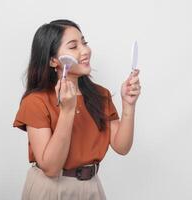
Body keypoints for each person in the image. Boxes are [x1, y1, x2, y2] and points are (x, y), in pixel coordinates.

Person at [12, 19, 141, 200]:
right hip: (50, 189)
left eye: (84, 42)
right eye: (73, 46)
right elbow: (51, 167)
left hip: (91, 189)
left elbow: (122, 147)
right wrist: (67, 111)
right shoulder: (36, 101)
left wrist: (128, 105)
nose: (85, 50)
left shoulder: (100, 95)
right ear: (53, 61)